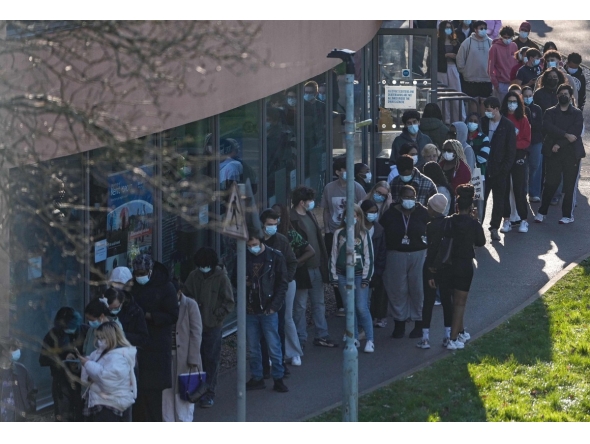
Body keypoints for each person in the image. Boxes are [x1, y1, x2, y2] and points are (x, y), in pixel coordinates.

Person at [183, 247, 235, 408]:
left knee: (211, 359)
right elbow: (186, 294)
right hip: (195, 326)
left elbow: (229, 302)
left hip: (212, 326)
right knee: (194, 359)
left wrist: (215, 316)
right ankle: (196, 390)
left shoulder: (221, 278)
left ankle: (209, 392)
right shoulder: (194, 276)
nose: (202, 268)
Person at [130, 253, 179, 422]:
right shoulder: (133, 286)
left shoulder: (165, 287)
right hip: (138, 345)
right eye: (137, 273)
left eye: (143, 273)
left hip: (156, 345)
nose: (140, 277)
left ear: (150, 271)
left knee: (153, 397)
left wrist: (149, 316)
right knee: (137, 394)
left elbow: (173, 315)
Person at [237, 235, 289, 393]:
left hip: (267, 308)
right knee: (254, 347)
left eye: (255, 244)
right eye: (250, 245)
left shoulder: (275, 257)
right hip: (251, 309)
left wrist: (274, 306)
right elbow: (234, 278)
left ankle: (278, 377)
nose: (252, 248)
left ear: (261, 242)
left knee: (273, 345)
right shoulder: (243, 256)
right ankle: (257, 377)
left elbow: (282, 284)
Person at [437, 184, 486, 350]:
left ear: (456, 205)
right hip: (464, 265)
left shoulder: (448, 221)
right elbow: (481, 242)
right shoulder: (473, 224)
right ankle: (453, 337)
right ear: (471, 206)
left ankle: (461, 331)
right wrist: (476, 220)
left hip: (448, 264)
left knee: (452, 301)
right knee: (460, 303)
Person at [290, 186, 337, 348]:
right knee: (300, 306)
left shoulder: (309, 215)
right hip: (303, 269)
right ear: (302, 202)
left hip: (316, 267)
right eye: (310, 200)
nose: (313, 203)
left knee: (319, 303)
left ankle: (321, 335)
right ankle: (300, 339)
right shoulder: (292, 219)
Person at [380, 184, 429, 339]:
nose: (409, 200)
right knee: (397, 289)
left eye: (412, 197)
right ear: (400, 198)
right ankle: (399, 323)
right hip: (396, 255)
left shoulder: (423, 212)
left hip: (418, 254)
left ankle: (419, 324)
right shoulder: (390, 214)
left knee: (418, 289)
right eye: (406, 197)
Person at [272, 202, 315, 367]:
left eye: (277, 216)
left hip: (287, 280)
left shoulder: (290, 235)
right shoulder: (265, 236)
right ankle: (277, 353)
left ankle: (294, 352)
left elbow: (310, 250)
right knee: (272, 319)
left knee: (287, 317)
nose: (275, 219)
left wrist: (294, 264)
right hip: (270, 282)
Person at [321, 157, 366, 315]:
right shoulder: (329, 188)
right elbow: (326, 209)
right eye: (344, 170)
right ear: (338, 172)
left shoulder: (357, 188)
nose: (348, 173)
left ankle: (354, 301)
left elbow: (363, 210)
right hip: (334, 232)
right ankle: (340, 303)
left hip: (353, 233)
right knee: (336, 266)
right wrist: (327, 229)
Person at [535, 84, 585, 225]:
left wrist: (560, 143)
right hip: (553, 153)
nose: (564, 95)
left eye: (566, 93)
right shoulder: (550, 112)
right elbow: (548, 128)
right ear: (557, 96)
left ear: (571, 96)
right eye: (561, 93)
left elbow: (575, 133)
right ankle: (542, 212)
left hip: (571, 154)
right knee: (550, 183)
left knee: (569, 186)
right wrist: (564, 135)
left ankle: (567, 215)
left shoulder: (576, 113)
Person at [329, 204, 375, 352]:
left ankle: (369, 339)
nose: (351, 218)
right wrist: (334, 276)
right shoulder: (339, 233)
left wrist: (366, 277)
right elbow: (334, 255)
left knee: (361, 307)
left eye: (355, 216)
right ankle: (352, 337)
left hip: (359, 275)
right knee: (349, 308)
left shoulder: (364, 233)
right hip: (343, 275)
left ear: (359, 217)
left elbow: (369, 256)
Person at [259, 208, 299, 371]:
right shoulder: (256, 240)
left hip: (279, 288)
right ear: (262, 225)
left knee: (280, 324)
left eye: (275, 224)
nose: (273, 227)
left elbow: (292, 262)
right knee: (262, 326)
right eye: (270, 224)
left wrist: (284, 281)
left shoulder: (281, 240)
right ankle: (266, 360)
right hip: (261, 290)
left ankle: (280, 360)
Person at [416, 193, 453, 349]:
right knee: (447, 301)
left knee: (428, 302)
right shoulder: (450, 224)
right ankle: (447, 335)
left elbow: (430, 250)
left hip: (431, 268)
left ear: (433, 208)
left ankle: (425, 338)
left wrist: (430, 270)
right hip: (447, 268)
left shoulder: (430, 226)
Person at [80, 322, 137, 421]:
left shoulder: (120, 357)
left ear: (111, 337)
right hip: (100, 402)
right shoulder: (99, 353)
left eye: (101, 337)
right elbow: (90, 377)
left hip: (112, 404)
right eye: (97, 337)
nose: (98, 341)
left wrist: (88, 364)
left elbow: (108, 380)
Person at [162, 283, 202, 422]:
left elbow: (196, 333)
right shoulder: (164, 304)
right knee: (166, 395)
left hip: (185, 359)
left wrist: (193, 359)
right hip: (167, 356)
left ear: (179, 292)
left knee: (184, 395)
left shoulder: (190, 305)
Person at [39, 307, 88, 421]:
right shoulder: (53, 334)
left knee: (83, 416)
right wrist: (62, 358)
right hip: (61, 382)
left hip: (82, 380)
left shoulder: (85, 331)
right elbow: (43, 359)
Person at [480, 96, 517, 240]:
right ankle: (478, 226)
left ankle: (494, 227)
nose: (487, 113)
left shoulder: (507, 125)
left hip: (500, 170)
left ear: (496, 109)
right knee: (480, 200)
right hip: (484, 169)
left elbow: (511, 151)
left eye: (489, 110)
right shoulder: (483, 122)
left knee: (498, 201)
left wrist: (504, 169)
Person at [498, 91, 531, 234]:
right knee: (504, 189)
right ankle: (506, 220)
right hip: (504, 158)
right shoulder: (501, 118)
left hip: (518, 156)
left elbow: (526, 140)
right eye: (509, 101)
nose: (512, 104)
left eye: (514, 101)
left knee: (519, 189)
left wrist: (512, 144)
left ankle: (523, 219)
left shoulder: (523, 120)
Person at [360, 200, 388, 329]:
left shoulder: (379, 229)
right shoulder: (357, 229)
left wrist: (378, 271)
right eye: (370, 212)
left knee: (372, 297)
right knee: (362, 300)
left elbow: (382, 252)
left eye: (375, 212)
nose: (373, 215)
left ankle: (371, 321)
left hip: (374, 268)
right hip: (360, 269)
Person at [456, 20, 493, 114]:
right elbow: (460, 58)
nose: (483, 30)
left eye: (485, 28)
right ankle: (474, 121)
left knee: (484, 102)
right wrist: (464, 71)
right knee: (473, 102)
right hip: (471, 79)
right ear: (475, 29)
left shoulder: (490, 43)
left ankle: (482, 123)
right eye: (481, 28)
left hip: (486, 79)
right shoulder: (467, 42)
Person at [103, 281, 149, 349]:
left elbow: (142, 338)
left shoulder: (135, 312)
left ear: (122, 302)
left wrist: (120, 335)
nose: (112, 311)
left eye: (115, 308)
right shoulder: (102, 309)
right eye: (109, 308)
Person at [0, 337, 36, 422]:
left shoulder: (21, 370)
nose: (17, 352)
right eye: (14, 349)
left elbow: (32, 392)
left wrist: (30, 410)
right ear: (4, 352)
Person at [436, 21, 464, 124]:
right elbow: (434, 57)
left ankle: (459, 118)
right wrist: (445, 55)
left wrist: (455, 56)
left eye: (450, 27)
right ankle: (445, 119)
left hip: (453, 68)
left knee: (456, 93)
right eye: (446, 27)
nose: (448, 29)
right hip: (441, 70)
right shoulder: (437, 41)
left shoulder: (455, 41)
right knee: (443, 95)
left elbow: (461, 56)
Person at [522, 86, 544, 203]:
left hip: (536, 141)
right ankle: (523, 191)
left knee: (535, 166)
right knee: (523, 167)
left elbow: (539, 126)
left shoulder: (537, 109)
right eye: (525, 96)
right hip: (523, 142)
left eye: (530, 96)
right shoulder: (520, 109)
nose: (528, 98)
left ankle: (534, 192)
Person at [487, 26, 518, 103]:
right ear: (501, 36)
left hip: (513, 82)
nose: (507, 39)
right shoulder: (494, 47)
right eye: (505, 37)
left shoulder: (514, 46)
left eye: (509, 37)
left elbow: (516, 63)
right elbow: (490, 68)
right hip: (501, 83)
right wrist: (496, 85)